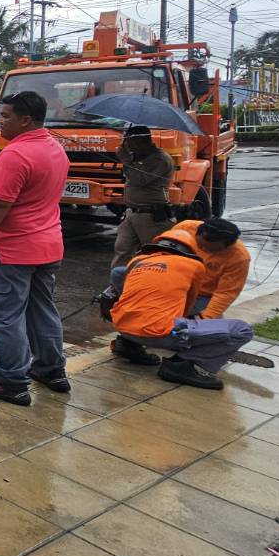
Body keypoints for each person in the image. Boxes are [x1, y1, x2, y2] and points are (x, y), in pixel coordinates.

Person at [0, 91, 71, 405]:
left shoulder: (16, 155)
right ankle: (51, 370)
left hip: (12, 249)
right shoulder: (55, 148)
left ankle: (10, 381)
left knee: (4, 317)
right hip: (47, 245)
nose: (1, 122)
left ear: (25, 120)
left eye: (6, 116)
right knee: (42, 311)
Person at [109, 227, 254, 389]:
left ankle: (127, 345)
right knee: (241, 330)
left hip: (122, 326)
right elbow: (188, 304)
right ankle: (181, 366)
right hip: (160, 334)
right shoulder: (194, 266)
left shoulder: (138, 261)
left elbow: (122, 279)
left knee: (126, 284)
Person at [109, 125, 176, 276]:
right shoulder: (138, 157)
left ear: (140, 141)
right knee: (122, 250)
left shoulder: (159, 159)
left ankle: (152, 283)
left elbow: (140, 179)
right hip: (131, 213)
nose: (126, 145)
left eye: (128, 141)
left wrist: (126, 160)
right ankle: (118, 283)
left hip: (150, 214)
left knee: (153, 254)